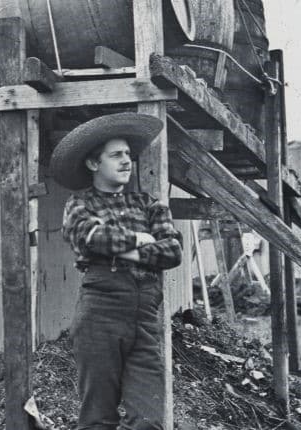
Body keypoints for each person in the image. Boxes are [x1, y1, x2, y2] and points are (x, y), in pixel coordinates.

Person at [49, 112, 183, 430]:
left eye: (128, 154)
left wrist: (122, 249)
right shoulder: (81, 204)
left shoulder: (149, 204)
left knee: (149, 420)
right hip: (100, 313)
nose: (126, 161)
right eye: (116, 155)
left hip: (144, 318)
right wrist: (140, 240)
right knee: (98, 417)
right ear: (93, 163)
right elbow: (89, 236)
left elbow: (172, 251)